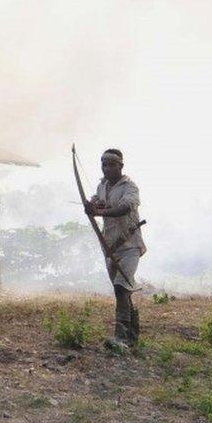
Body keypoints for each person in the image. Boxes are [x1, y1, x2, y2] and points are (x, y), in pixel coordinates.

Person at [85, 148, 146, 347]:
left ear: (121, 166)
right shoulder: (102, 186)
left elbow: (126, 208)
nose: (107, 168)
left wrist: (99, 212)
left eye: (112, 164)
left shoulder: (130, 187)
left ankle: (120, 338)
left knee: (121, 287)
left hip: (130, 246)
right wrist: (92, 204)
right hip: (110, 247)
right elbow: (97, 201)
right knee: (122, 291)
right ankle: (132, 336)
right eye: (104, 164)